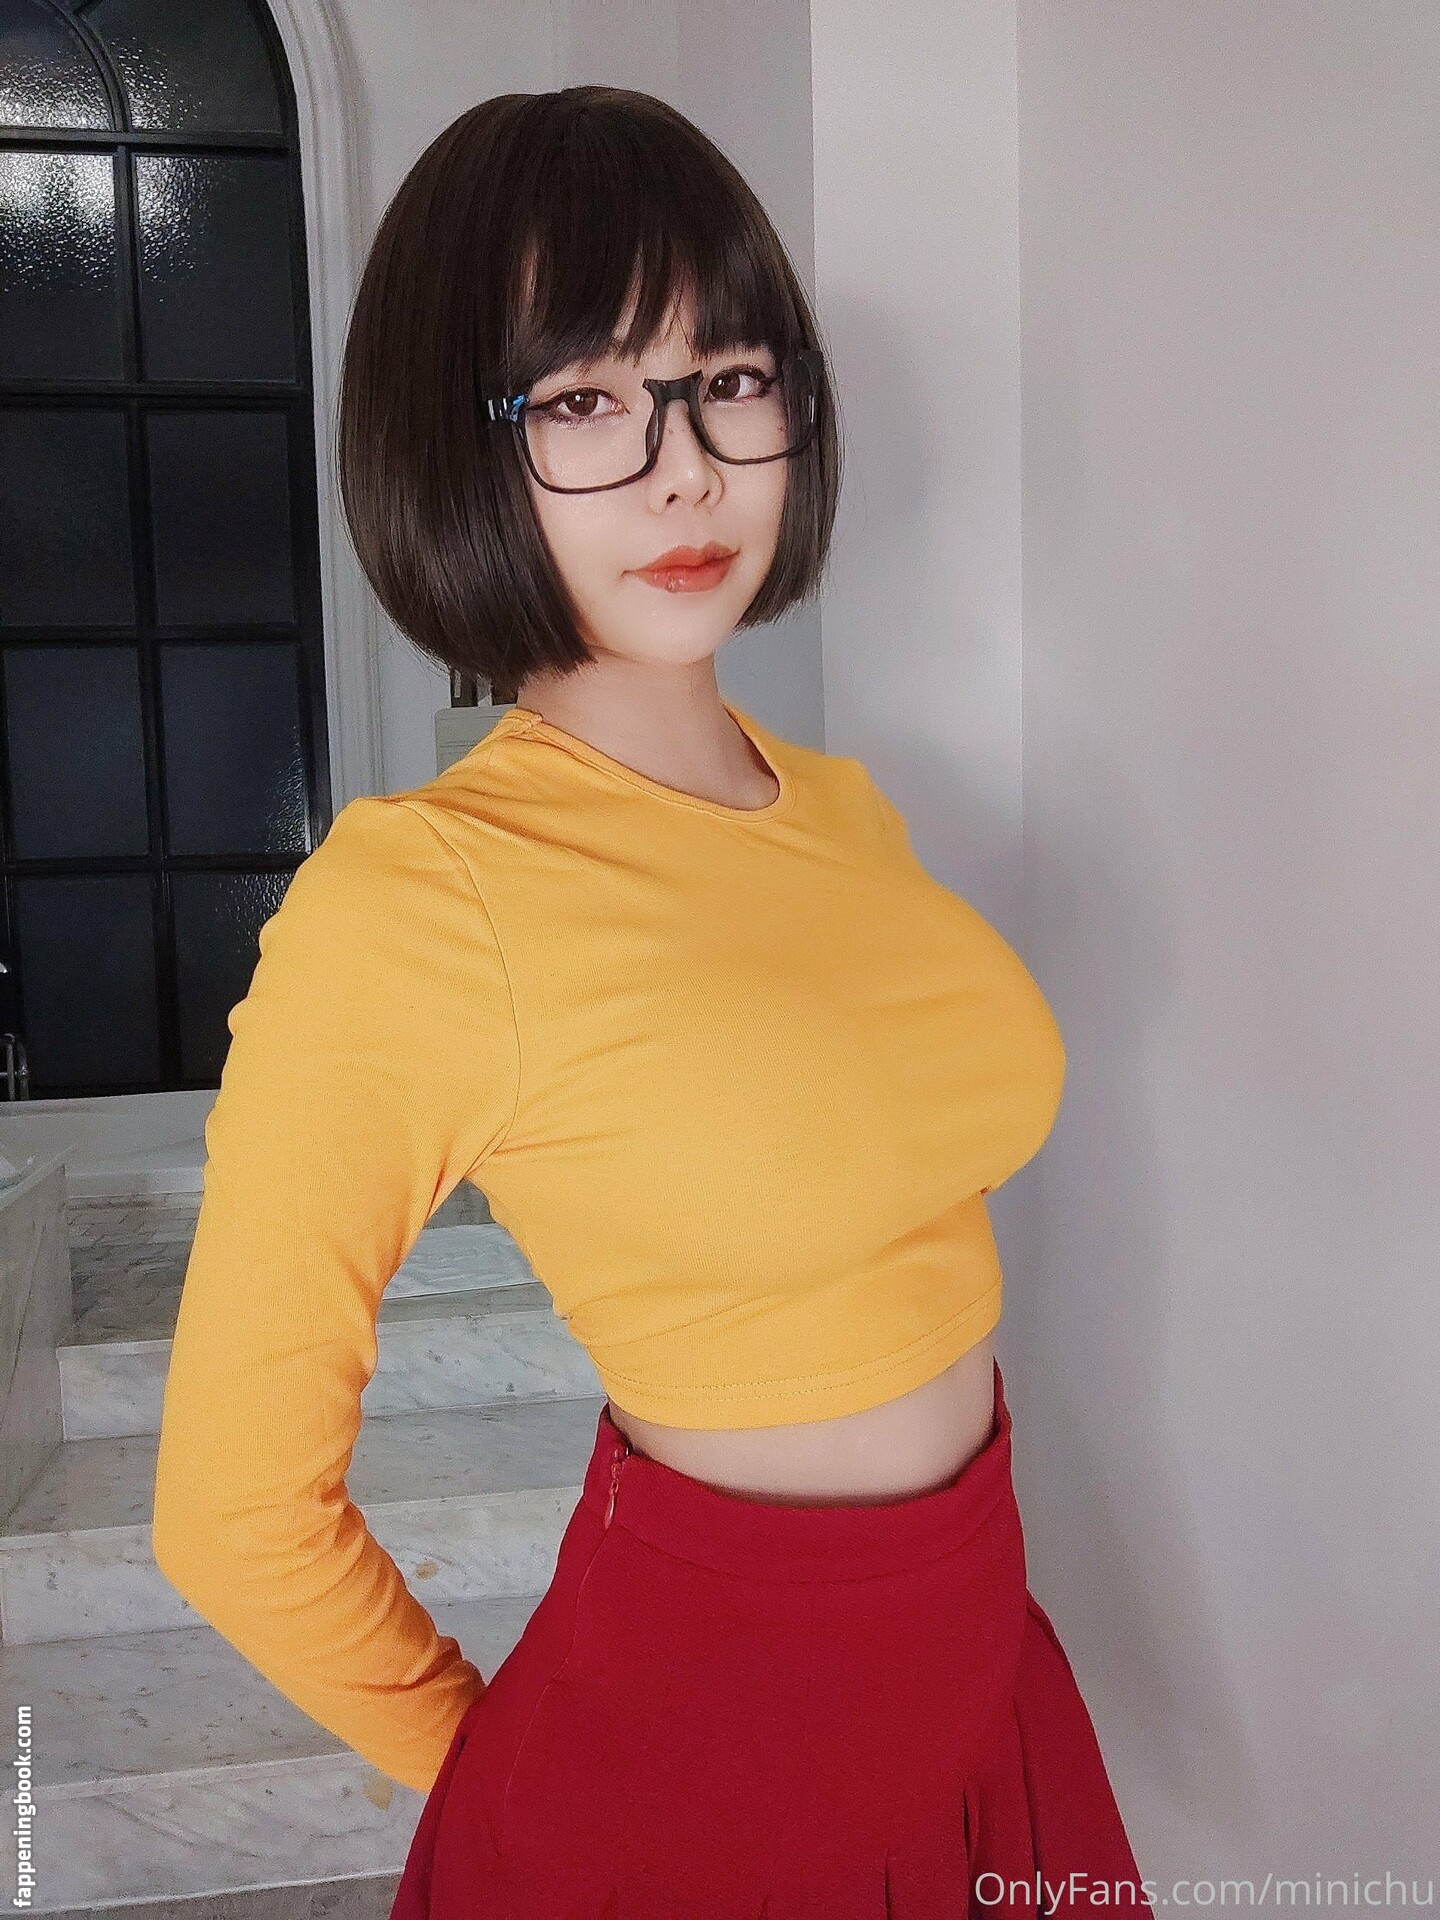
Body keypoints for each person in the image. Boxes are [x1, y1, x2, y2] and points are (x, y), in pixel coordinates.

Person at [151, 84, 1144, 1919]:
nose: (686, 472)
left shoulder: (842, 812)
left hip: (977, 1656)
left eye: (730, 380)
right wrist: (510, 1786)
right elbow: (230, 1510)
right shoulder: (421, 898)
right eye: (583, 401)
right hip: (694, 1753)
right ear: (455, 444)